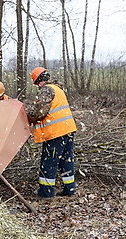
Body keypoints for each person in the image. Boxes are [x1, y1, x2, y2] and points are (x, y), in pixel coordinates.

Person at [26, 67, 77, 198]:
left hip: (55, 133)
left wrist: (27, 115)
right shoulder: (58, 88)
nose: (37, 87)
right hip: (68, 130)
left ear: (40, 81)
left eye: (37, 83)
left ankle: (46, 192)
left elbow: (39, 112)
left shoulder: (47, 90)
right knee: (67, 160)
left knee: (49, 162)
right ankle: (69, 189)